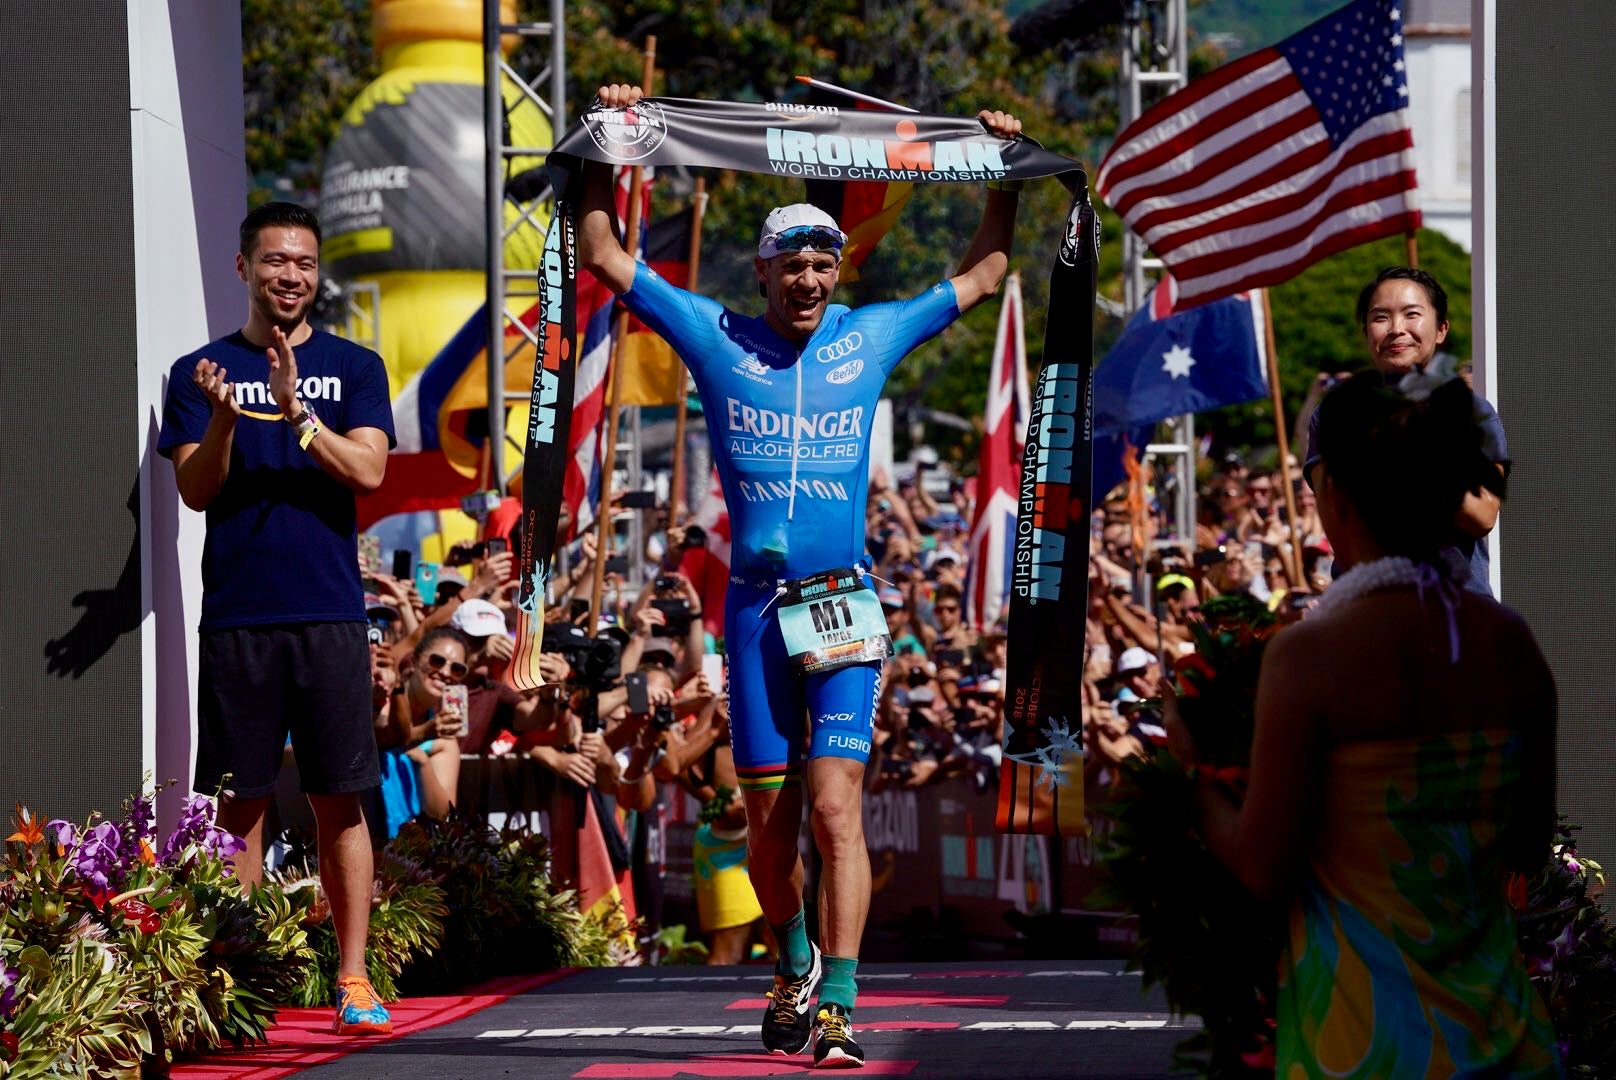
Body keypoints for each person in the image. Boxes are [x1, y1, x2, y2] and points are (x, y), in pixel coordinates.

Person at [577, 82, 1025, 1068]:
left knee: (836, 806)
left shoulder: (868, 334)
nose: (810, 278)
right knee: (767, 832)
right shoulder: (713, 333)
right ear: (764, 269)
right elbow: (607, 257)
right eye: (793, 263)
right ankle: (790, 962)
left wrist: (1000, 169)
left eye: (825, 261)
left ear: (837, 267)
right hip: (752, 611)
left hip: (843, 603)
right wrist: (597, 146)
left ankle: (840, 1002)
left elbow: (987, 271)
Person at [1170, 373, 1557, 1076]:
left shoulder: (1311, 656)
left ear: (1335, 499)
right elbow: (1528, 844)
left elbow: (1260, 867)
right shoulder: (1511, 642)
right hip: (1508, 1045)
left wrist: (1192, 769)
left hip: (1361, 1045)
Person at [157, 202, 396, 1035]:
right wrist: (226, 416)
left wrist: (298, 412)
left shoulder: (354, 365)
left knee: (340, 801)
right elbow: (194, 490)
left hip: (328, 615)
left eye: (304, 262)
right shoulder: (199, 371)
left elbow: (368, 471)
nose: (290, 275)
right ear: (243, 269)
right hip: (238, 620)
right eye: (275, 261)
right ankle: (242, 983)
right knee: (240, 809)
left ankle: (355, 979)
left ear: (317, 272)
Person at [1306, 267, 1509, 596]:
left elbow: (1483, 515)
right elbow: (1340, 533)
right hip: (1370, 612)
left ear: (1441, 329)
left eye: (1412, 314)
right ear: (1366, 332)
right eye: (1380, 317)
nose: (1396, 329)